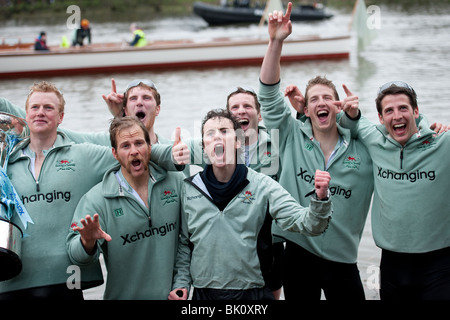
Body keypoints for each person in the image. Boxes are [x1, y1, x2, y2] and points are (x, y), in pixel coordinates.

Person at [258, 3, 374, 300]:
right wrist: (276, 42)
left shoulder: (363, 143)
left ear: (339, 106)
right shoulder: (290, 136)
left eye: (328, 98)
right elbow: (269, 95)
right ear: (306, 110)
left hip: (343, 258)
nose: (322, 103)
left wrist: (357, 118)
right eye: (314, 100)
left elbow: (398, 133)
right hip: (298, 251)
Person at [169, 108, 333, 300]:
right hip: (204, 293)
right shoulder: (189, 188)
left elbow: (309, 224)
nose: (217, 138)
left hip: (252, 293)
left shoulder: (263, 186)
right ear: (204, 146)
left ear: (238, 141)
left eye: (224, 131)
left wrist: (320, 199)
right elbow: (184, 244)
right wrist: (181, 283)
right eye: (210, 133)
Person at [0, 81, 117, 299]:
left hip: (66, 282)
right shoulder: (5, 162)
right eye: (35, 107)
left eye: (48, 108)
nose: (40, 113)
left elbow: (132, 152)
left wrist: (178, 155)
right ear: (26, 114)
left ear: (60, 117)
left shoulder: (84, 155)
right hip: (11, 281)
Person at [340, 80, 450, 300]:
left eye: (403, 108)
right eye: (389, 111)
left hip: (439, 264)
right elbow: (350, 124)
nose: (397, 116)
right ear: (381, 118)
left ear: (416, 111)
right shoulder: (375, 139)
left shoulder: (443, 143)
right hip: (391, 263)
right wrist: (350, 112)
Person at [67, 117, 185, 299]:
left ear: (150, 147)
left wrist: (181, 285)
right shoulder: (97, 199)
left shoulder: (177, 183)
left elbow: (187, 243)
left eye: (139, 143)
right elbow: (76, 257)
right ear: (114, 153)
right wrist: (87, 242)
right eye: (125, 146)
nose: (134, 151)